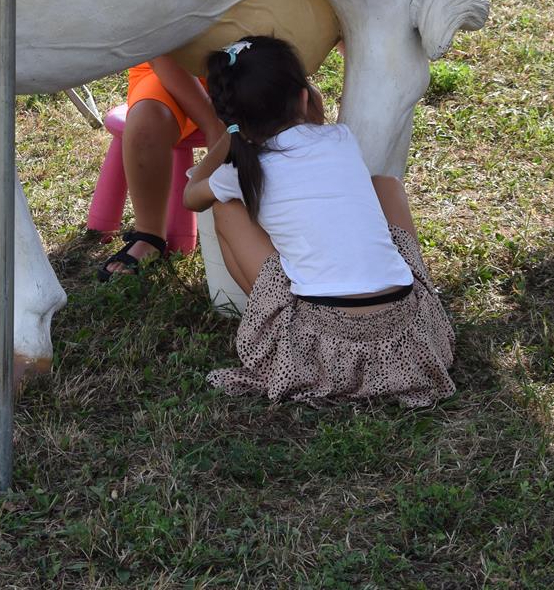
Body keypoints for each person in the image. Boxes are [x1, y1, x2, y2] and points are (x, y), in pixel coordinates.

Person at [183, 36, 456, 407]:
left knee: (224, 208)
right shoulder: (340, 139)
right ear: (304, 96)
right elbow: (314, 118)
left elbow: (191, 196)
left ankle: (268, 325)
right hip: (411, 338)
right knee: (385, 184)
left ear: (229, 114)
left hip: (319, 355)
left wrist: (227, 137)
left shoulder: (241, 171)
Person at [97, 54, 223, 281]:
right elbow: (160, 46)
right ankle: (150, 234)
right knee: (147, 123)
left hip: (248, 56)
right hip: (167, 67)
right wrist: (212, 124)